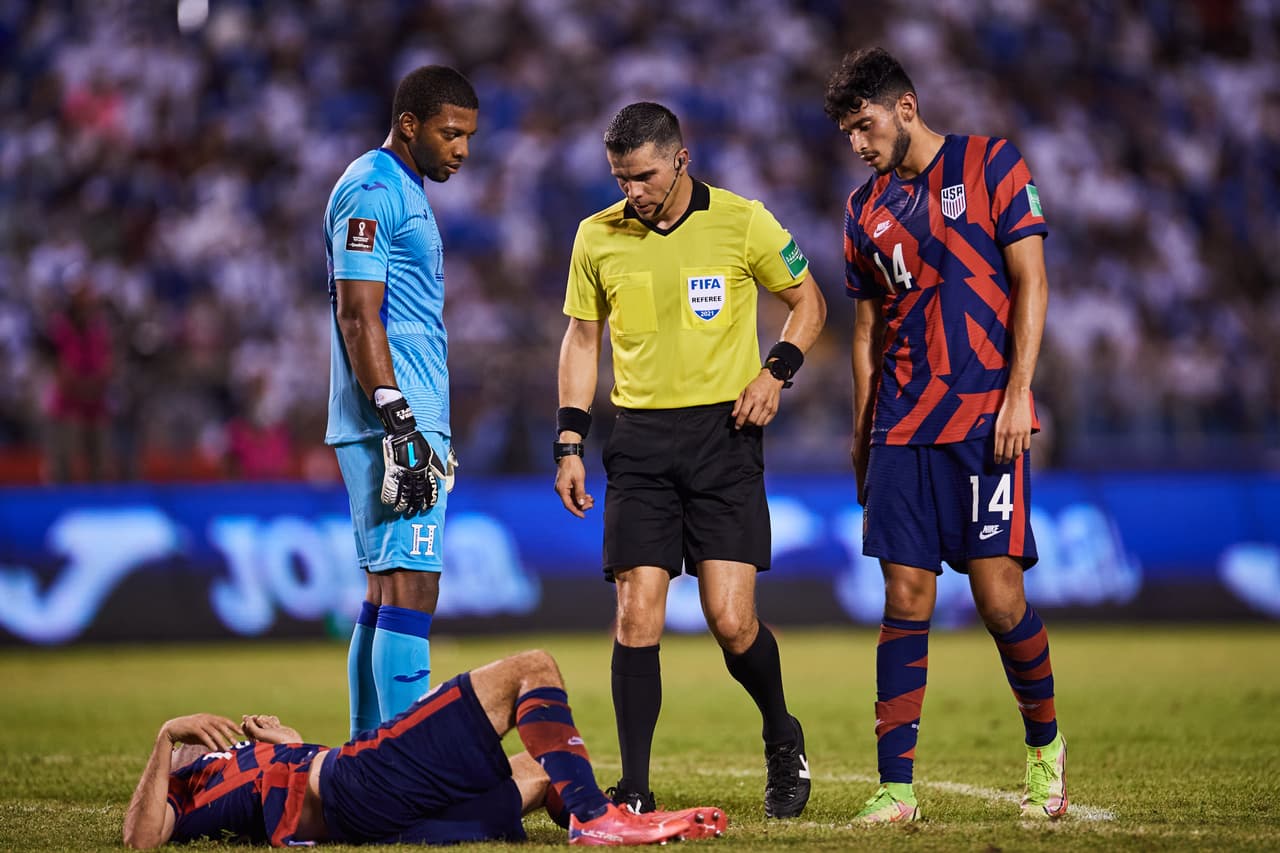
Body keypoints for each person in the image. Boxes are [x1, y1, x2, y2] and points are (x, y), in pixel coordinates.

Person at [553, 102, 827, 819]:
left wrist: (776, 372)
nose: (631, 192)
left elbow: (808, 301)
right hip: (639, 441)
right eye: (620, 179)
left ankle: (780, 731)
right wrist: (570, 441)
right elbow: (584, 340)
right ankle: (635, 787)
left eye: (643, 176)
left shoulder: (743, 221)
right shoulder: (596, 236)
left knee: (731, 620)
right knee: (636, 610)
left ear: (681, 159)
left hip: (723, 437)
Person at [823, 47, 1066, 823]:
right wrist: (862, 435)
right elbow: (865, 330)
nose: (858, 145)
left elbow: (1031, 279)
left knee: (999, 598)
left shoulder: (992, 163)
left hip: (985, 418)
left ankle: (1045, 751)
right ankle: (896, 788)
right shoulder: (863, 210)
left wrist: (1019, 394)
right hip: (901, 424)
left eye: (864, 126)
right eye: (847, 134)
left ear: (905, 106)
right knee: (904, 596)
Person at [121, 649, 727, 849]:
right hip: (359, 783)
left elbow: (286, 787)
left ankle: (598, 820)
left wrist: (293, 746)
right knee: (532, 669)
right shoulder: (184, 790)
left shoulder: (229, 765)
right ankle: (599, 820)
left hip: (377, 814)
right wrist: (165, 735)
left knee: (544, 770)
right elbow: (139, 838)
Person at [323, 65, 474, 736]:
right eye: (450, 133)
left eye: (468, 136)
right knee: (412, 585)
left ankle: (365, 753)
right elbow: (360, 314)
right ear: (408, 124)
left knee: (387, 587)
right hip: (393, 421)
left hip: (402, 415)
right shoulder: (372, 189)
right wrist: (399, 418)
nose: (462, 149)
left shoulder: (400, 190)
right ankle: (401, 763)